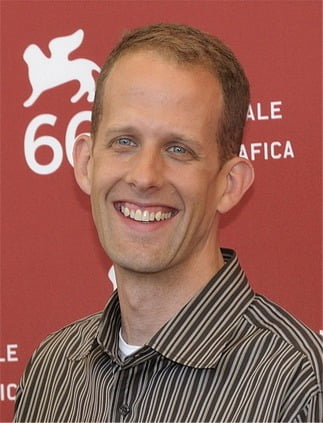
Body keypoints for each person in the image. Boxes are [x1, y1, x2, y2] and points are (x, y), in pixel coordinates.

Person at [14, 23, 322, 422]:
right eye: (124, 141)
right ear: (87, 163)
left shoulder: (299, 385)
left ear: (229, 185)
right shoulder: (51, 372)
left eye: (178, 149)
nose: (145, 176)